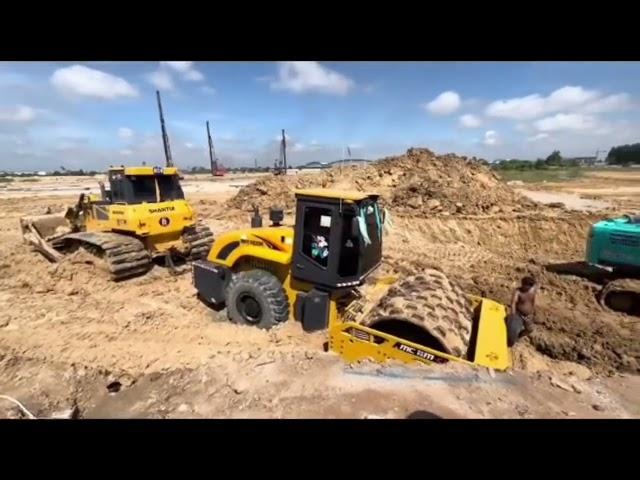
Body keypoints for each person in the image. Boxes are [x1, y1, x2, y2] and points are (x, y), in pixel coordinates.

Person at [507, 276, 538, 346]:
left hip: (528, 315)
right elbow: (513, 303)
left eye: (530, 287)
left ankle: (519, 336)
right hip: (518, 314)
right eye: (527, 286)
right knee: (514, 329)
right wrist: (513, 314)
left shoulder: (533, 291)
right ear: (523, 285)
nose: (529, 288)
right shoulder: (518, 291)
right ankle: (510, 340)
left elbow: (533, 301)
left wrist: (533, 312)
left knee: (530, 329)